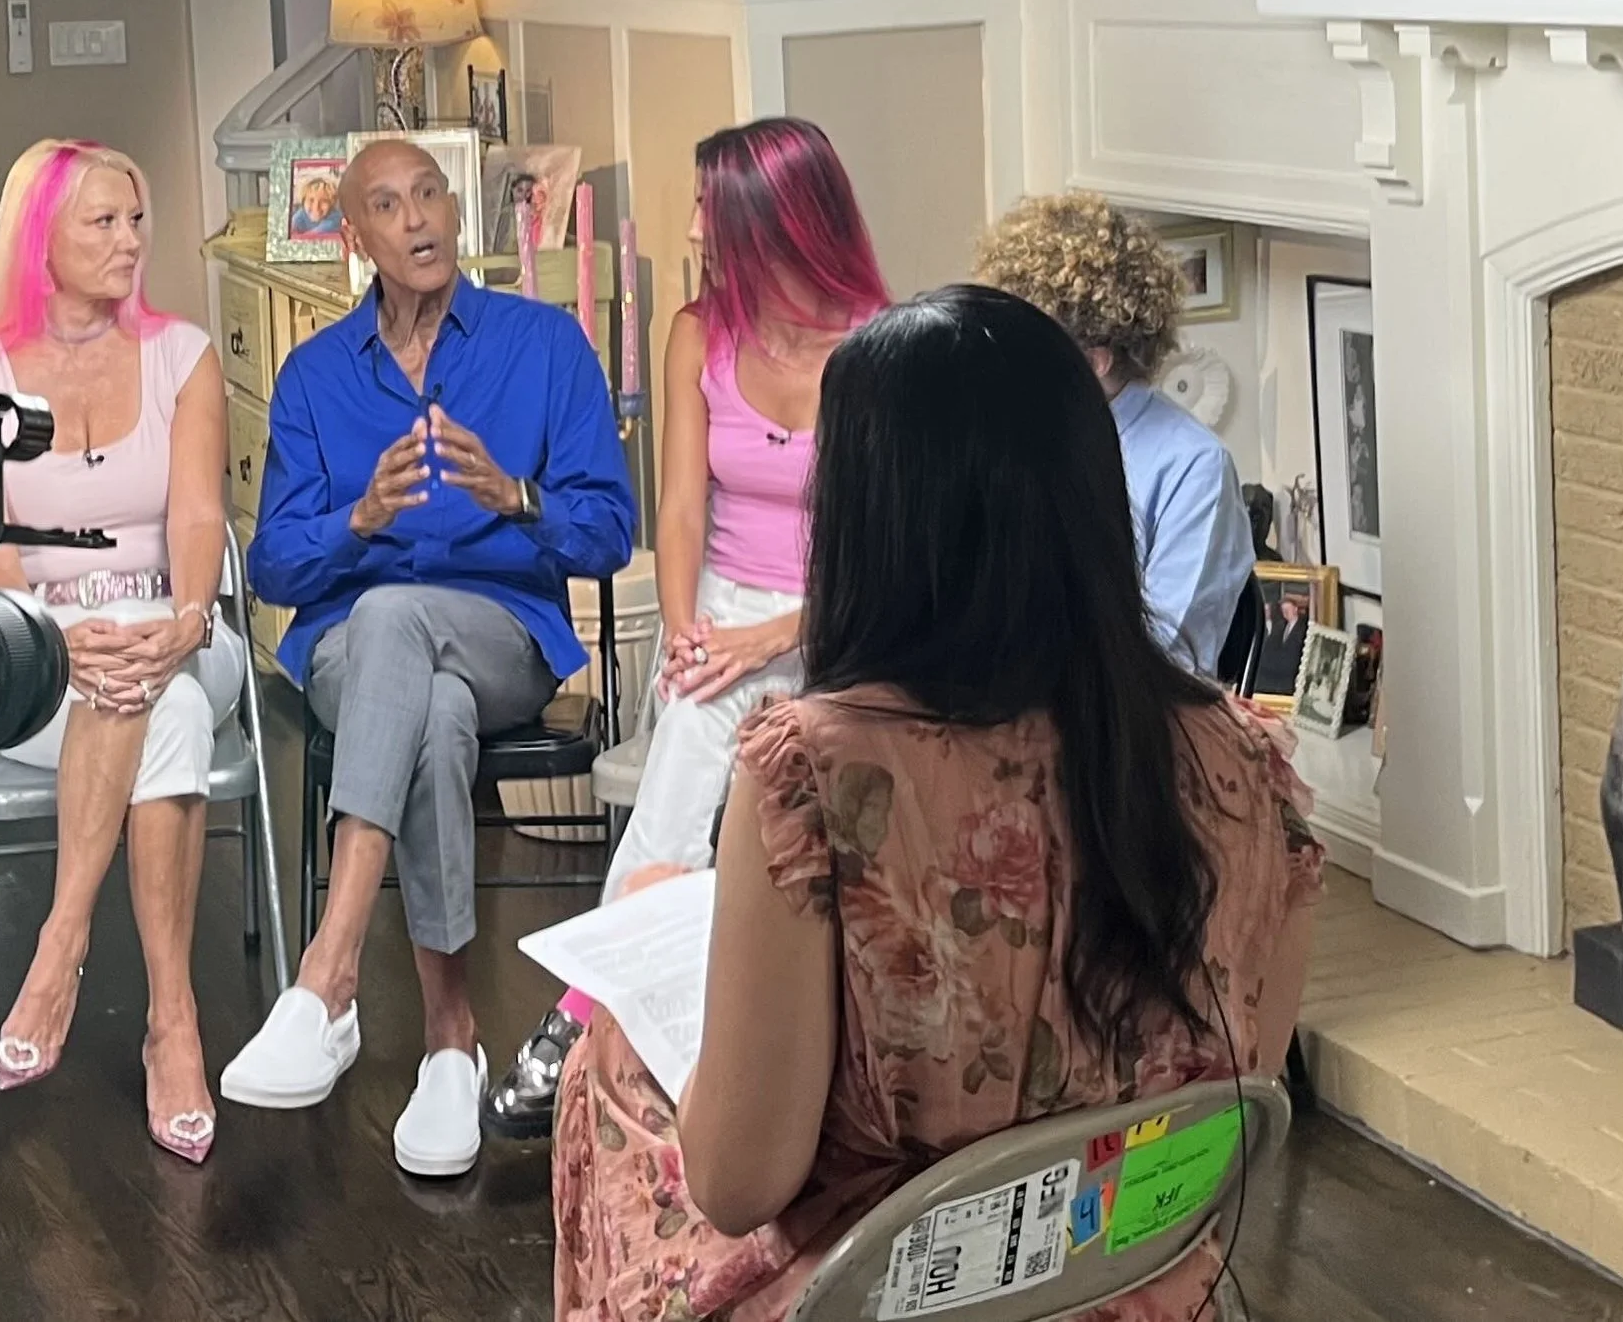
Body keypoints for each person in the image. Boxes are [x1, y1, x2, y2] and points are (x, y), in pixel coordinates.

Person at [551, 287, 1322, 1320]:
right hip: (1135, 1284)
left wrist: (674, 1019)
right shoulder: (1250, 764)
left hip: (884, 1290)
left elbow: (739, 1184)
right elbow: (1238, 1091)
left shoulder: (812, 774)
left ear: (868, 511)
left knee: (606, 1059)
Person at [222, 138, 635, 1178]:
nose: (419, 221)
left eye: (432, 196)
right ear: (354, 236)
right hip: (351, 651)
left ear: (457, 210)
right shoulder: (316, 375)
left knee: (407, 622)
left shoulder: (544, 345)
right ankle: (452, 1042)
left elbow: (608, 531)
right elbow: (273, 562)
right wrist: (357, 519)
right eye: (389, 206)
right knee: (430, 707)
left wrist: (517, 497)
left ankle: (327, 977)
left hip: (503, 630)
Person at [487, 117, 889, 1138]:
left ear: (773, 219)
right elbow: (677, 508)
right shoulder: (695, 333)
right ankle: (598, 1014)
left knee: (782, 792)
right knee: (680, 777)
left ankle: (614, 1019)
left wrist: (776, 641)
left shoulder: (883, 351)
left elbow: (894, 549)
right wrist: (684, 629)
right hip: (724, 610)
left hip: (846, 619)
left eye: (709, 206)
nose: (694, 224)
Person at [0, 139, 238, 1165]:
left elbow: (200, 513)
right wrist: (71, 640)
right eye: (101, 222)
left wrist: (188, 617)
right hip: (34, 657)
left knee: (166, 689)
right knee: (156, 709)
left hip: (180, 626)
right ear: (40, 242)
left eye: (136, 219)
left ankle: (59, 947)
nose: (129, 240)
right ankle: (172, 1020)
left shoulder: (182, 356)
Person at [974, 192, 1254, 678]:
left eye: (1022, 345)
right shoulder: (1000, 433)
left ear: (1095, 361)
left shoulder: (1192, 466)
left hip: (1121, 724)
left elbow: (1169, 656)